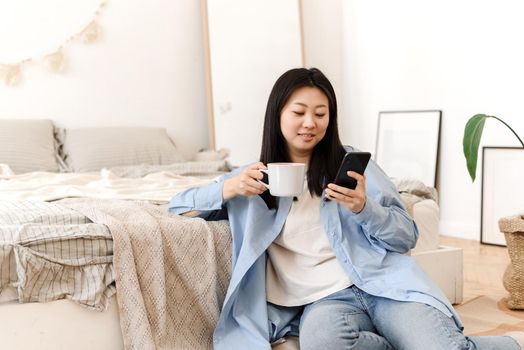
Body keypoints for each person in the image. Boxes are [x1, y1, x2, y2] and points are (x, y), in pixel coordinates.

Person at [169, 68, 523, 350]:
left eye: (321, 114)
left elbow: (406, 238)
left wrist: (365, 208)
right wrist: (227, 188)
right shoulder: (251, 180)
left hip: (384, 286)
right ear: (278, 113)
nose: (311, 123)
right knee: (321, 342)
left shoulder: (352, 166)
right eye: (300, 112)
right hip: (325, 304)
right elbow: (178, 206)